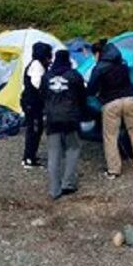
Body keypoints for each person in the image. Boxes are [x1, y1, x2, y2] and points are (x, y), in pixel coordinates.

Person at [88, 39, 133, 178]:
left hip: (111, 103)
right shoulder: (122, 63)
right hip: (130, 100)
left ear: (98, 53)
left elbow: (91, 89)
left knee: (111, 137)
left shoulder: (99, 68)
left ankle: (114, 170)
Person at [41, 49, 86, 199]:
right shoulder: (75, 76)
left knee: (54, 153)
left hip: (52, 119)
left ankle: (54, 190)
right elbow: (82, 97)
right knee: (72, 149)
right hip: (70, 118)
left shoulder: (47, 76)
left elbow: (42, 95)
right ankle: (68, 183)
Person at [20, 42, 52, 169]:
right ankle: (28, 159)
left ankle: (31, 155)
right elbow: (38, 85)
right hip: (31, 103)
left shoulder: (38, 64)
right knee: (34, 130)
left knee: (36, 129)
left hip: (32, 102)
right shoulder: (36, 66)